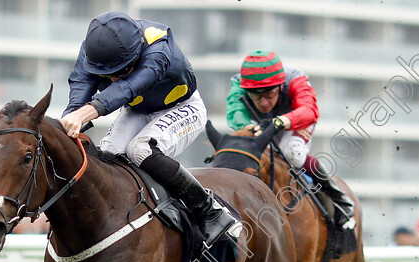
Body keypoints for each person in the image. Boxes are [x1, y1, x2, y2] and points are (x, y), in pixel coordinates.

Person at [61, 11, 240, 248]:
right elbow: (82, 85)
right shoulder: (93, 50)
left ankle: (211, 211)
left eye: (120, 71)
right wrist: (68, 119)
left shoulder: (159, 48)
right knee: (108, 153)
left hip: (184, 107)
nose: (112, 79)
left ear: (136, 56)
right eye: (107, 74)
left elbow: (128, 88)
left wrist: (86, 113)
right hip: (138, 110)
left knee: (140, 149)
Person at [226, 50, 354, 230]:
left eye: (269, 95)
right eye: (256, 96)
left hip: (295, 121)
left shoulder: (296, 80)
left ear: (280, 86)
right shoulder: (238, 83)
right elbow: (235, 111)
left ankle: (339, 199)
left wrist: (282, 121)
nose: (263, 103)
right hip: (260, 123)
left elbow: (308, 110)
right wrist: (247, 126)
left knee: (292, 153)